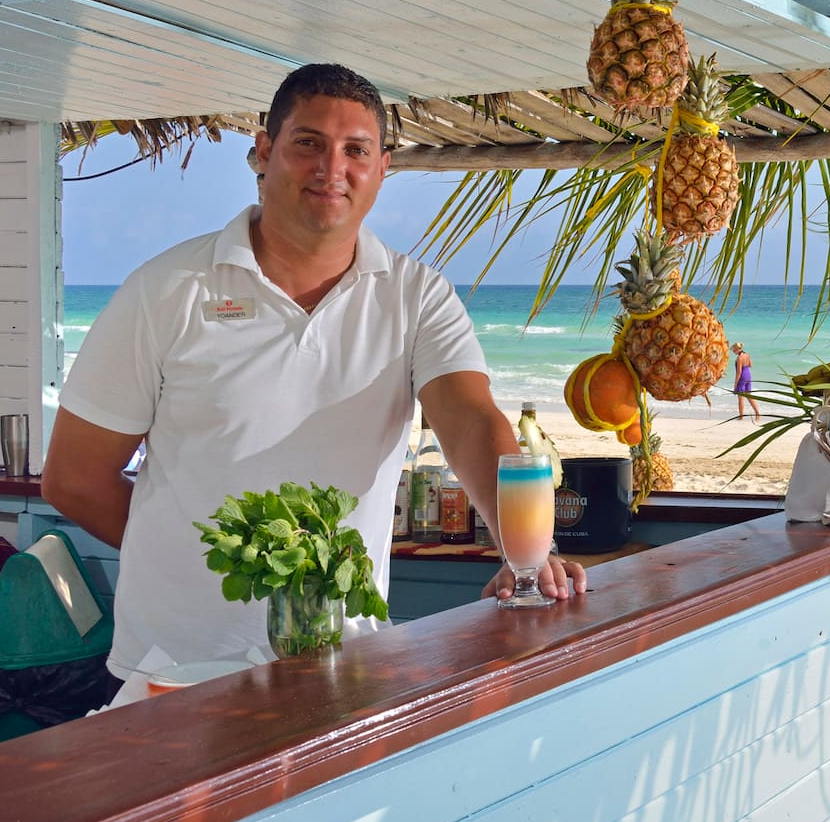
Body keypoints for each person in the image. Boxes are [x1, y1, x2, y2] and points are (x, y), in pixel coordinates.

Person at [43, 63, 588, 682]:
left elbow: (468, 419)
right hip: (178, 667)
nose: (333, 169)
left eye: (356, 150)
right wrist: (195, 562)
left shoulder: (417, 298)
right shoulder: (165, 291)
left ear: (383, 168)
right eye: (309, 144)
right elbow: (74, 479)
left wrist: (527, 554)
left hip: (345, 665)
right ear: (263, 152)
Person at [732, 343, 760, 421]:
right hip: (748, 375)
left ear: (737, 349)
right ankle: (757, 414)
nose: (733, 352)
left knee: (741, 398)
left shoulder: (739, 358)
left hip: (742, 377)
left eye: (734, 350)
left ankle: (741, 416)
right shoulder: (747, 355)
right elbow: (750, 365)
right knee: (749, 396)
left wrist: (735, 384)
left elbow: (739, 372)